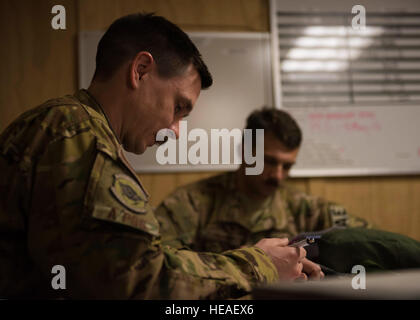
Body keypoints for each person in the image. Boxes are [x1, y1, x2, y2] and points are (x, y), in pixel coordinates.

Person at [0, 13, 310, 299]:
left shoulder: (62, 125)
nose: (175, 131)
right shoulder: (79, 137)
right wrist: (259, 265)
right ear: (141, 70)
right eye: (178, 107)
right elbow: (141, 280)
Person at [156, 108, 368, 258]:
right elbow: (159, 263)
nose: (277, 175)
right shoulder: (191, 203)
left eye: (287, 166)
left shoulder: (304, 208)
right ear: (244, 152)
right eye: (269, 161)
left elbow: (367, 239)